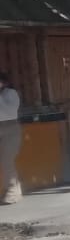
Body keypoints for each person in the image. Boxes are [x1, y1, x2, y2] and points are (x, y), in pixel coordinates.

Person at [0, 68, 21, 204]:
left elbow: (9, 112)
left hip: (9, 128)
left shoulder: (11, 94)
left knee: (6, 160)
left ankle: (13, 191)